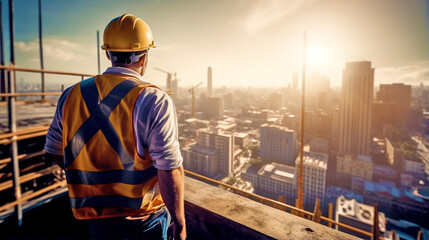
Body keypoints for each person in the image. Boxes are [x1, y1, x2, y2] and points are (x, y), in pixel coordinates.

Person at [44, 14, 186, 240]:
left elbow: (53, 150)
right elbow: (169, 169)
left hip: (94, 217)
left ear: (108, 53)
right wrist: (180, 221)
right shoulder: (154, 99)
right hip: (143, 220)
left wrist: (94, 182)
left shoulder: (70, 95)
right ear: (144, 57)